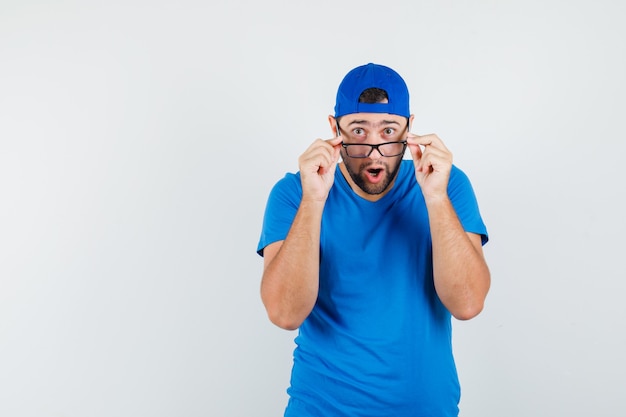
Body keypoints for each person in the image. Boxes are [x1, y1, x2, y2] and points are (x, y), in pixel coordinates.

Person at [256, 63, 490, 417]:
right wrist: (313, 200)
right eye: (359, 130)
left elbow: (468, 304)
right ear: (335, 129)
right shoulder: (294, 193)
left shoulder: (447, 184)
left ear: (409, 129)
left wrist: (436, 199)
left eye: (389, 130)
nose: (375, 148)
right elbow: (284, 313)